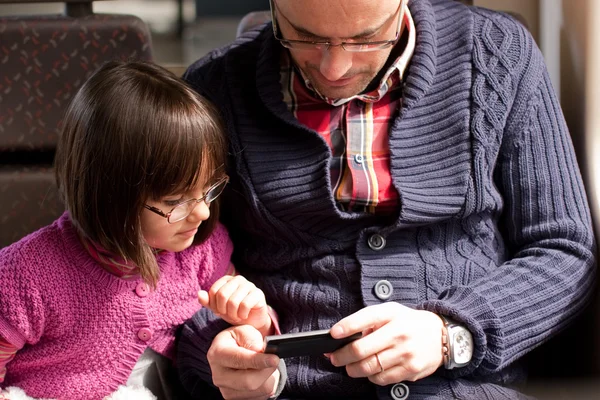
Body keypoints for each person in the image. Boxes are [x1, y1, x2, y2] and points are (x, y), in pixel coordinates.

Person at [177, 0, 597, 399]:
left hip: (465, 386)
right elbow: (163, 269)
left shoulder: (499, 54)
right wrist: (214, 350)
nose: (334, 67)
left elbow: (565, 249)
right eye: (304, 37)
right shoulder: (213, 89)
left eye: (365, 39)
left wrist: (451, 334)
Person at [0, 61, 276, 400]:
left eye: (209, 190)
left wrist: (256, 320)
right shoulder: (25, 275)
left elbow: (242, 342)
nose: (203, 212)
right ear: (109, 194)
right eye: (176, 200)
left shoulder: (203, 251)